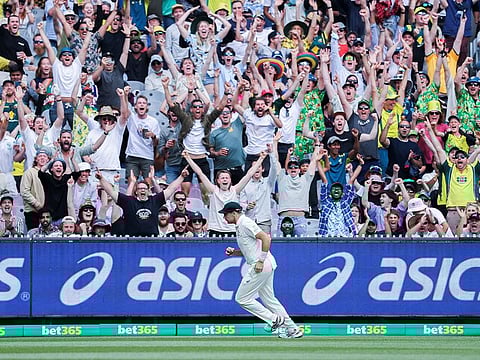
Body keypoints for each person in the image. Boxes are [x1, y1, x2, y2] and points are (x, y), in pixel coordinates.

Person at [220, 201, 303, 339]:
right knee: (270, 300)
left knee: (242, 298)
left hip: (261, 265)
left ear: (234, 213)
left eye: (225, 214)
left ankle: (274, 319)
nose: (224, 218)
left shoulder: (245, 223)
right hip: (265, 264)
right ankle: (293, 329)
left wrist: (260, 260)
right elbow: (250, 249)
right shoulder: (240, 225)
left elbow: (266, 238)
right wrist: (234, 252)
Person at [95, 167, 188, 236]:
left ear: (148, 190)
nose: (142, 190)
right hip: (132, 240)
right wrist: (101, 179)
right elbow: (111, 191)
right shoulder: (129, 201)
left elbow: (171, 189)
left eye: (144, 188)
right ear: (136, 191)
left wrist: (182, 177)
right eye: (140, 189)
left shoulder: (155, 200)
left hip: (152, 240)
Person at [317, 155, 363, 237]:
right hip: (327, 237)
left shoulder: (346, 203)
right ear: (330, 192)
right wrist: (317, 161)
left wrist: (360, 165)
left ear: (342, 193)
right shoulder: (325, 202)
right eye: (334, 189)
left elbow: (351, 180)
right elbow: (324, 180)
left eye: (339, 189)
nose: (336, 190)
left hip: (344, 236)